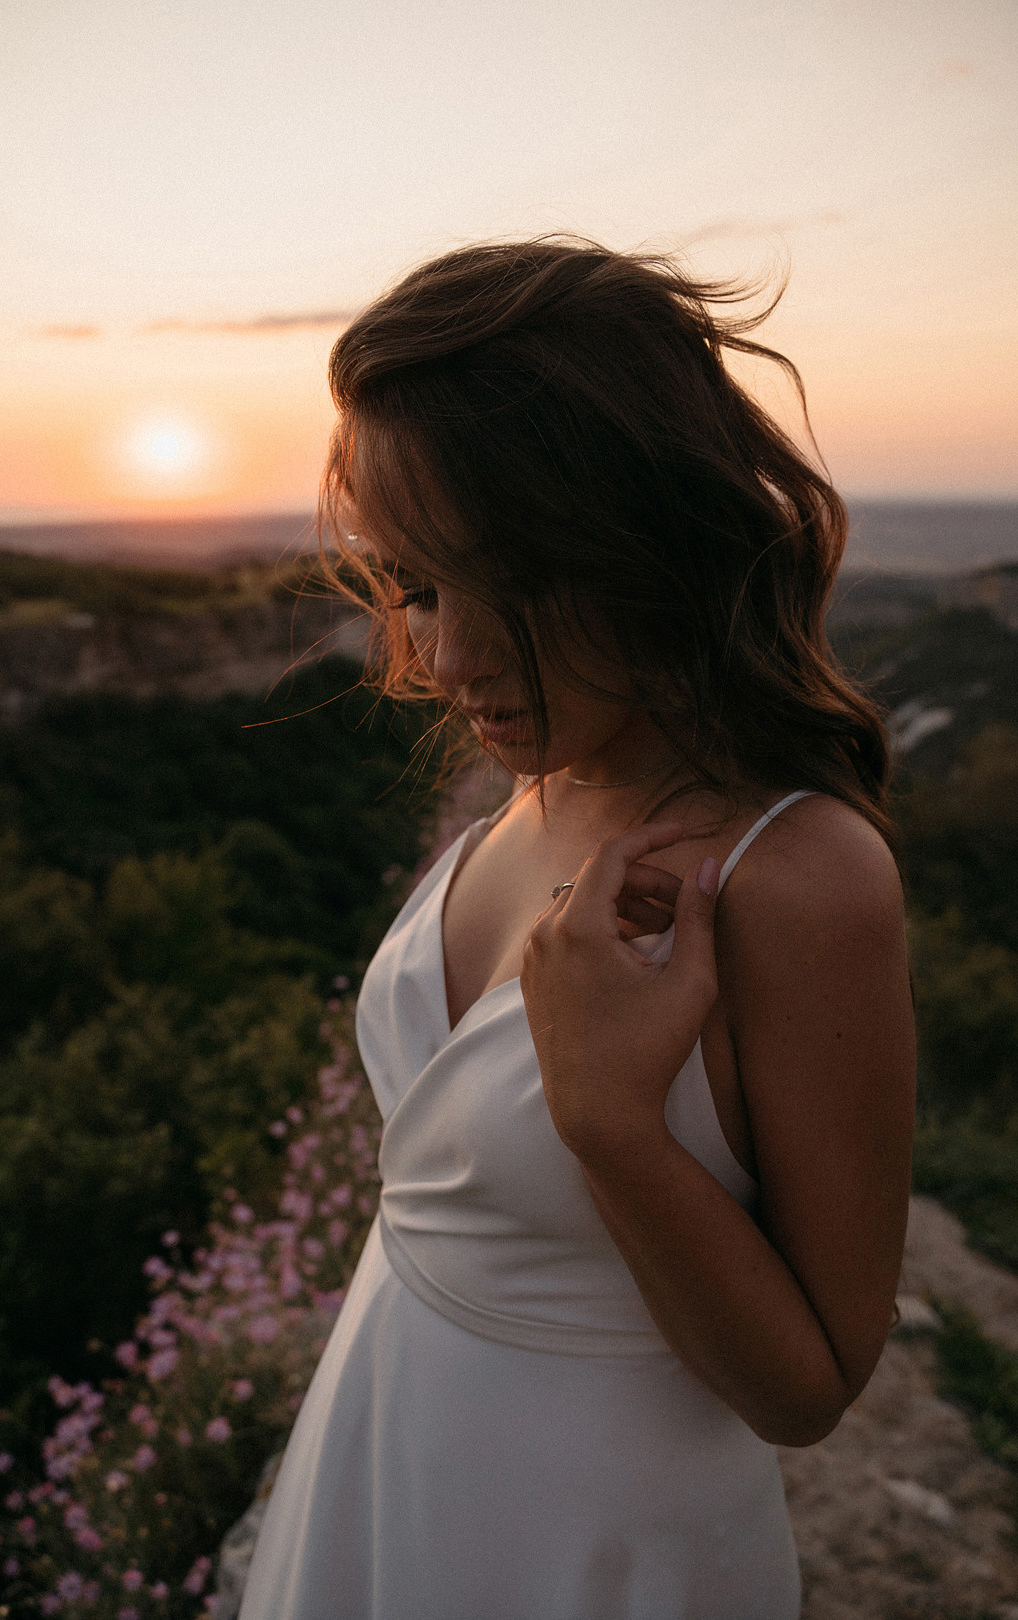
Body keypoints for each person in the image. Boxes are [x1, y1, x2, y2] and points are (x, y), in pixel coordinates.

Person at [240, 238, 916, 1620]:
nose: (443, 656)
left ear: (645, 537)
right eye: (417, 586)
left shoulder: (798, 877)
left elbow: (810, 1388)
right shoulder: (546, 779)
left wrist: (613, 1119)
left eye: (515, 581)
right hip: (377, 1464)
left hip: (590, 1554)